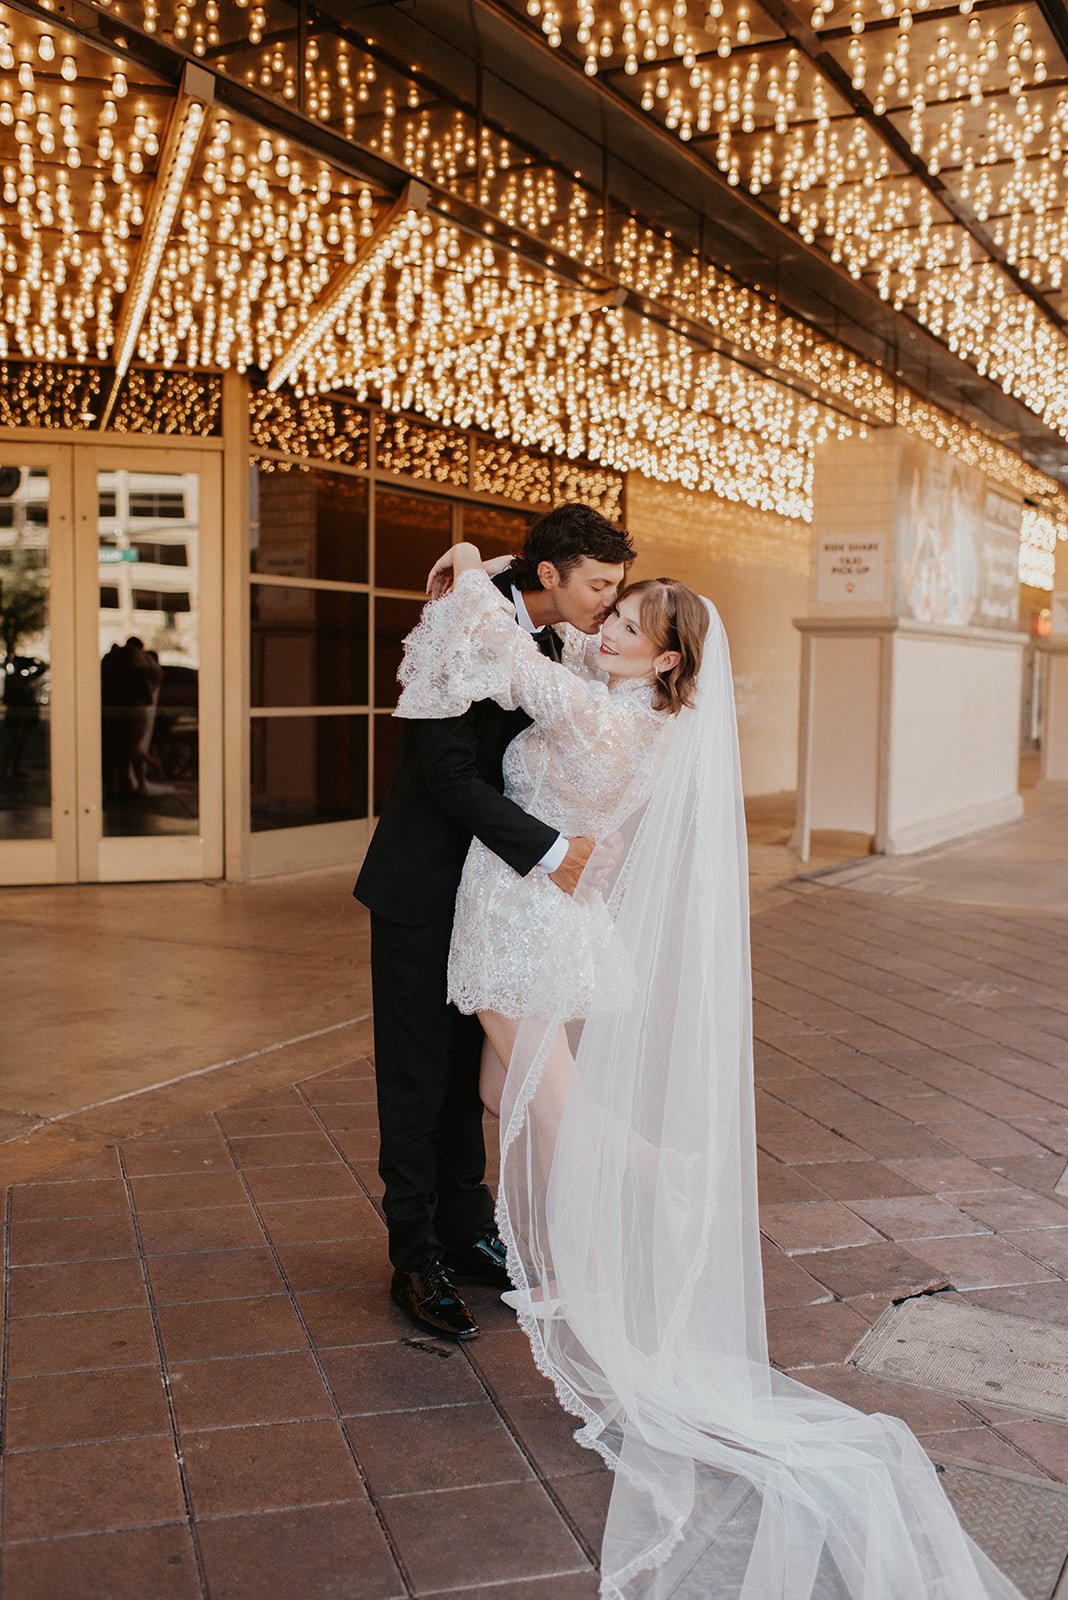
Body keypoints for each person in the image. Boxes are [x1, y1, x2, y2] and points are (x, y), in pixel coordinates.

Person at [394, 544, 1025, 1600]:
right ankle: (566, 1251)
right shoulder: (638, 715)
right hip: (547, 919)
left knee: (551, 1105)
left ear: (667, 661)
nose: (606, 630)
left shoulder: (595, 710)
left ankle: (644, 1188)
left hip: (515, 923)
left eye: (629, 626)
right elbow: (554, 675)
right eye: (612, 613)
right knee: (507, 1095)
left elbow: (502, 645)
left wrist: (468, 564)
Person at [354, 503, 635, 1340]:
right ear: (552, 575)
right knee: (416, 1078)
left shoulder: (553, 636)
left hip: (494, 896)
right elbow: (444, 775)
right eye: (600, 585)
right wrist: (556, 854)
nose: (610, 603)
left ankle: (467, 1228)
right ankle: (415, 1257)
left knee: (465, 1076)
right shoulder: (460, 622)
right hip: (422, 886)